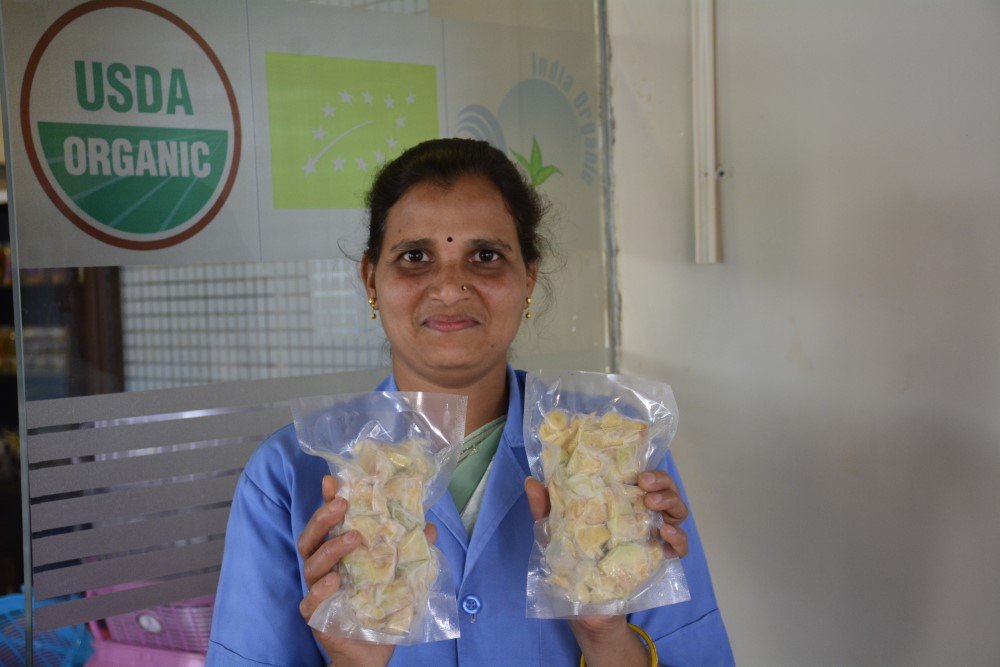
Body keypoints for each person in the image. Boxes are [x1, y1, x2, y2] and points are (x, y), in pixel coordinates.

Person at [207, 138, 733, 666]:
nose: (450, 287)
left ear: (528, 277)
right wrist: (352, 662)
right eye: (415, 257)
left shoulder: (612, 455)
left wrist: (604, 633)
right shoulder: (290, 475)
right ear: (371, 279)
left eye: (485, 256)